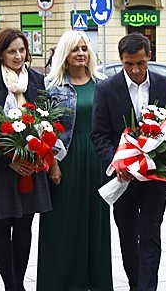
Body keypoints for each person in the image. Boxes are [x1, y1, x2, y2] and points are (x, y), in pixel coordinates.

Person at [0, 28, 60, 291]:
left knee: (25, 225)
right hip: (1, 167)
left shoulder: (37, 80)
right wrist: (9, 159)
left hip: (32, 165)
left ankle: (19, 283)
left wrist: (45, 157)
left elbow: (48, 120)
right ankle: (9, 284)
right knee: (1, 225)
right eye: (12, 51)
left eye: (22, 50)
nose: (18, 55)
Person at [91, 32, 166, 291]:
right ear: (121, 60)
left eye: (140, 63)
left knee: (151, 234)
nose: (136, 69)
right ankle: (134, 284)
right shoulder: (106, 89)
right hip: (123, 177)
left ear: (149, 56)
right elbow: (99, 134)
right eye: (129, 64)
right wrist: (117, 160)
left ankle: (147, 288)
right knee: (128, 235)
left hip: (155, 176)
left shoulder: (165, 85)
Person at [37, 30, 113, 290]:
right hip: (66, 157)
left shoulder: (103, 82)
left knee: (97, 219)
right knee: (63, 221)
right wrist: (53, 163)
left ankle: (96, 280)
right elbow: (44, 128)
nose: (80, 53)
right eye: (74, 49)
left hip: (97, 157)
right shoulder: (52, 86)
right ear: (64, 55)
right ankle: (60, 281)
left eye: (84, 48)